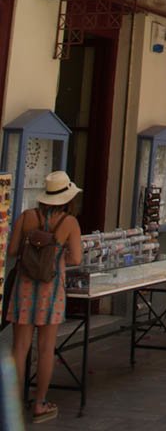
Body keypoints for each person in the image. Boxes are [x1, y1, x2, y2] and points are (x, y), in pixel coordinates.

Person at [7, 170, 83, 424]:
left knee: (19, 348)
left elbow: (13, 251)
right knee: (46, 349)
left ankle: (13, 405)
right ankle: (40, 403)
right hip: (51, 290)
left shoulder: (27, 217)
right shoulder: (69, 223)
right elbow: (76, 258)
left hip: (25, 287)